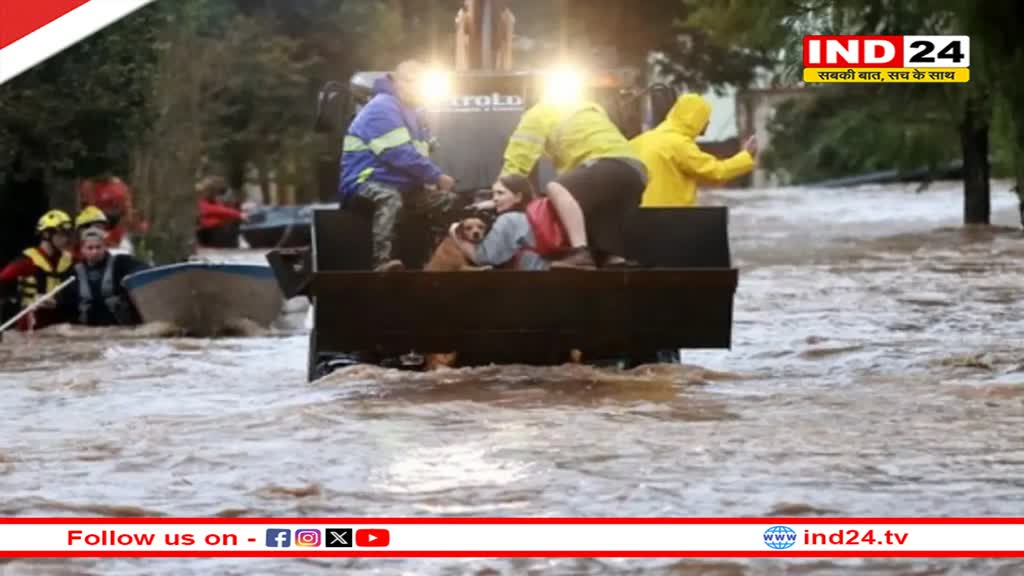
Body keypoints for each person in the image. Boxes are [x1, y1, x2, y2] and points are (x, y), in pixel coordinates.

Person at [497, 96, 648, 269]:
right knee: (597, 216)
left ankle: (579, 252)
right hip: (635, 172)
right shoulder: (590, 107)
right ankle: (614, 260)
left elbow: (519, 157)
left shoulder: (538, 113)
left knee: (556, 187)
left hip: (606, 163)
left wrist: (500, 191)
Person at [339, 59, 457, 272]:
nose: (420, 90)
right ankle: (382, 262)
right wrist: (437, 176)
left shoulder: (414, 113)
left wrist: (431, 184)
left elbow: (419, 154)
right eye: (416, 84)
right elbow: (399, 154)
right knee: (389, 198)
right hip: (365, 182)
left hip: (402, 187)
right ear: (399, 82)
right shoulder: (382, 107)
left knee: (447, 201)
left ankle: (439, 258)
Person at [632, 93, 757, 207]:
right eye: (705, 118)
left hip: (637, 218)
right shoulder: (679, 144)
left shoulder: (638, 142)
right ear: (695, 118)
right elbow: (717, 172)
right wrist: (746, 155)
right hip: (670, 218)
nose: (708, 122)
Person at [448, 174, 549, 270]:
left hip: (524, 281)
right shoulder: (531, 216)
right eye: (493, 194)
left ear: (518, 197)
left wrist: (455, 232)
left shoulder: (509, 220)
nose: (495, 198)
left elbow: (483, 258)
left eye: (500, 193)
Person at [0, 210, 75, 330]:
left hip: (60, 325)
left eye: (68, 234)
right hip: (31, 325)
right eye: (61, 234)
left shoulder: (69, 260)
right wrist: (27, 299)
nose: (66, 239)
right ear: (46, 234)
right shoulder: (27, 261)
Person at [71, 228, 148, 326]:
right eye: (90, 248)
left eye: (98, 247)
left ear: (105, 247)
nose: (94, 251)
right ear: (82, 250)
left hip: (120, 327)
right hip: (88, 330)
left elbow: (142, 268)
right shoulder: (74, 272)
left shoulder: (120, 262)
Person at [197, 176, 247, 248]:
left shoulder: (214, 202)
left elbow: (223, 211)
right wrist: (238, 215)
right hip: (210, 235)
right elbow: (218, 210)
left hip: (218, 234)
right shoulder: (202, 203)